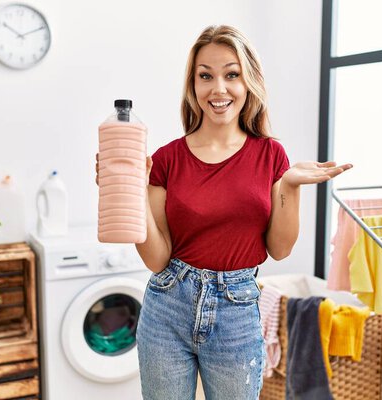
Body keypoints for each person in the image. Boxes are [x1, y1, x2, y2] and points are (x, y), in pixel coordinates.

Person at [96, 24, 351, 400]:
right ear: (193, 85)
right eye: (206, 76)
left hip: (237, 311)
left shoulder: (270, 156)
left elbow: (279, 249)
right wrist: (130, 187)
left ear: (248, 82)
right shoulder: (165, 159)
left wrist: (291, 186)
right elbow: (156, 258)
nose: (218, 88)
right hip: (167, 305)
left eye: (231, 74)